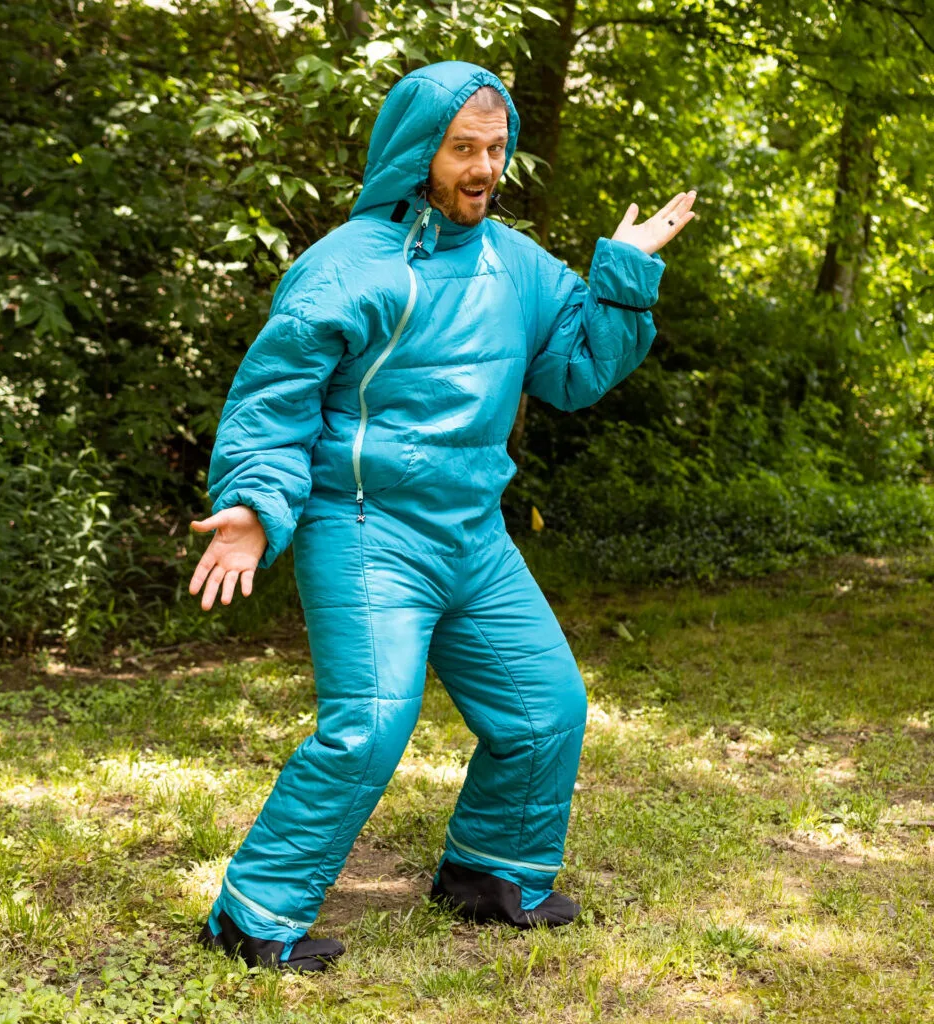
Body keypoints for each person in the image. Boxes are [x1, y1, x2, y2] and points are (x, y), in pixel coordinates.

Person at [188, 60, 696, 973]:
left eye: (496, 148)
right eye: (465, 147)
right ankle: (251, 916)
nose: (484, 167)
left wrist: (624, 274)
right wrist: (257, 505)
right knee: (371, 723)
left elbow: (573, 373)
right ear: (419, 151)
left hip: (474, 533)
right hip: (366, 528)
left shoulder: (516, 264)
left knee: (546, 710)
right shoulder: (345, 267)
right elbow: (276, 398)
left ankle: (490, 876)